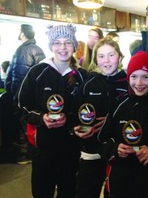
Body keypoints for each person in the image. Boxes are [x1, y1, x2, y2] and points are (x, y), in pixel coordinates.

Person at [17, 24, 87, 198]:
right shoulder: (37, 72)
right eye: (57, 43)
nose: (62, 48)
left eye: (67, 43)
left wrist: (71, 120)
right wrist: (42, 118)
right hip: (43, 146)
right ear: (50, 46)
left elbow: (87, 111)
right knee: (42, 190)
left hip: (71, 147)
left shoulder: (83, 76)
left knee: (69, 190)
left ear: (74, 46)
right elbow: (21, 105)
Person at [98, 51, 148, 198]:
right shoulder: (118, 105)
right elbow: (103, 140)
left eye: (145, 77)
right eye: (134, 76)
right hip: (121, 183)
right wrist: (116, 148)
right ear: (128, 78)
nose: (139, 83)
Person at [73, 37, 128, 198]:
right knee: (85, 192)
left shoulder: (129, 82)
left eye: (111, 55)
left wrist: (110, 122)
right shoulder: (88, 84)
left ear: (119, 56)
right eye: (101, 56)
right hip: (92, 149)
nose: (106, 61)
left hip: (120, 149)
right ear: (96, 58)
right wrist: (78, 129)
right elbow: (76, 115)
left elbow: (136, 117)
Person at [5, 24, 45, 164]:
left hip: (22, 96)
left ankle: (32, 154)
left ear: (23, 33)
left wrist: (13, 93)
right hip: (29, 95)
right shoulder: (36, 49)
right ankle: (33, 152)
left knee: (28, 124)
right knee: (28, 124)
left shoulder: (22, 50)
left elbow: (15, 75)